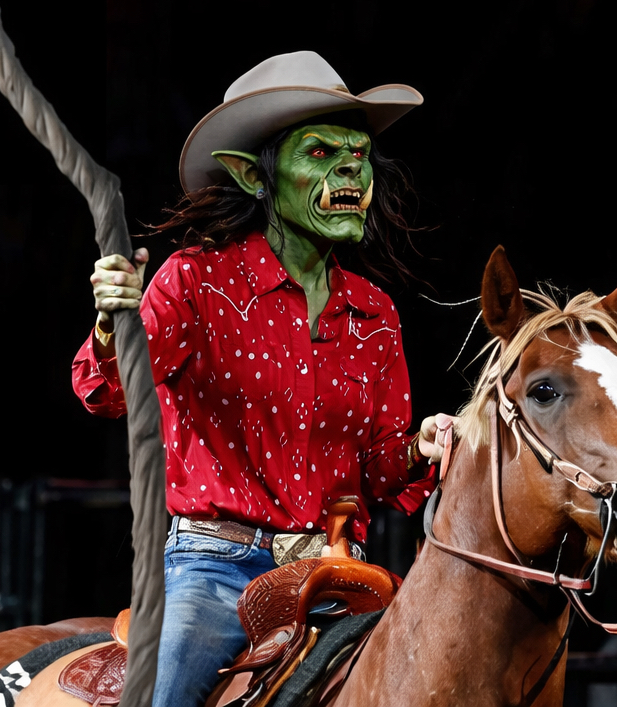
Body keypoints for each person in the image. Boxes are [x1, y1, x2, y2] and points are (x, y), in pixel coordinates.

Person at [72, 51, 456, 707]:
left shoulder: (375, 314)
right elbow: (106, 392)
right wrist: (114, 326)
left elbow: (380, 472)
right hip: (215, 572)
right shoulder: (196, 281)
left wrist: (421, 446)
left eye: (359, 155)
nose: (351, 170)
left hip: (340, 574)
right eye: (321, 152)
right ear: (255, 176)